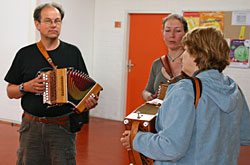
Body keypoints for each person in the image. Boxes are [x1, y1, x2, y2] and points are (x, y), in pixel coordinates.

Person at [121, 27, 250, 164]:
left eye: (186, 51)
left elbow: (171, 148)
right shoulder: (233, 88)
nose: (182, 57)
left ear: (198, 55)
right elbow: (244, 136)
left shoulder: (186, 90)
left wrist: (136, 139)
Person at [4, 3, 98, 164]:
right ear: (37, 24)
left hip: (62, 127)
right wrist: (25, 87)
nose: (53, 25)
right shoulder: (24, 54)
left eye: (57, 21)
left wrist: (89, 102)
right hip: (30, 127)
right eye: (48, 21)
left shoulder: (72, 52)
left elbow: (87, 92)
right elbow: (10, 91)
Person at [142, 14, 188, 101]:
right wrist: (148, 96)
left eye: (177, 31)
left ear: (186, 34)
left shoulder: (193, 63)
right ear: (162, 34)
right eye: (167, 30)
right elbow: (147, 90)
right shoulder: (157, 63)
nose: (172, 35)